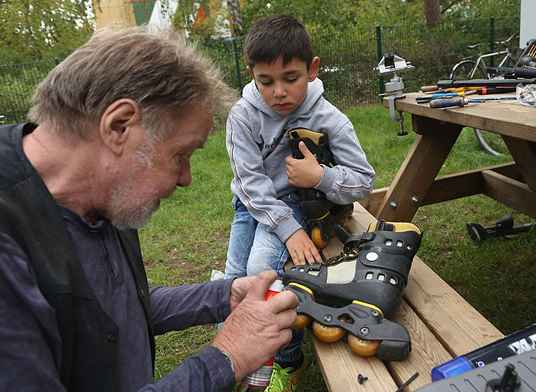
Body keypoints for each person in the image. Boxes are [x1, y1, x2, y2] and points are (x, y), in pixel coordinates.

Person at [0, 27, 299, 392]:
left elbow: (119, 309)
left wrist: (224, 295)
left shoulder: (104, 195)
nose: (187, 178)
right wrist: (226, 357)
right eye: (181, 154)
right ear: (120, 126)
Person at [224, 15, 375, 390]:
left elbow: (363, 181)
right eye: (266, 81)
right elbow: (251, 184)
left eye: (290, 78)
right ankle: (237, 358)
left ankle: (288, 362)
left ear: (312, 69)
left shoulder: (330, 119)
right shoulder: (242, 116)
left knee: (263, 270)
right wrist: (288, 231)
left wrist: (319, 178)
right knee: (233, 281)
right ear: (252, 74)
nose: (278, 92)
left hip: (299, 202)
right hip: (252, 203)